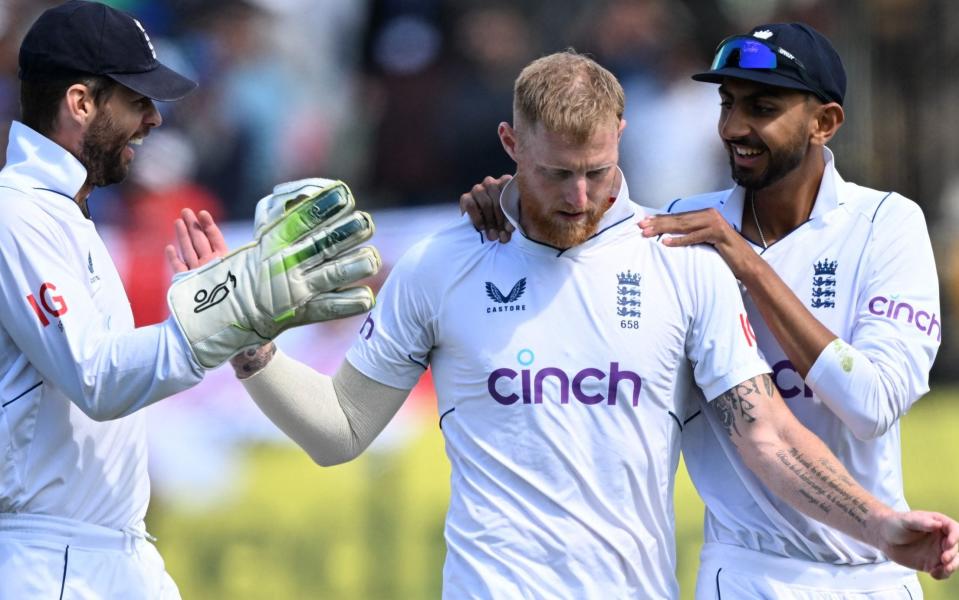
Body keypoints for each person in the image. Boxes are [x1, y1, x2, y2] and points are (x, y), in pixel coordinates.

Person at [198, 51, 958, 599]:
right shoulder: (441, 264)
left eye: (596, 170)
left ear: (621, 134)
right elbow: (339, 431)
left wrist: (878, 526)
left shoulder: (681, 261)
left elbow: (764, 434)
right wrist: (250, 349)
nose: (578, 195)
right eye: (555, 173)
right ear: (509, 144)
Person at [463, 24, 948, 599]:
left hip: (874, 570)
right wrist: (510, 198)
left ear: (825, 123)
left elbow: (873, 405)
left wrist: (747, 264)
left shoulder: (886, 224)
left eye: (762, 107)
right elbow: (571, 230)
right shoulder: (679, 224)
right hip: (743, 568)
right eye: (727, 103)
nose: (734, 128)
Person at [0, 2, 378, 598]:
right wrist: (232, 310)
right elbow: (96, 378)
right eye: (136, 99)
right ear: (80, 103)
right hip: (51, 561)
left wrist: (227, 312)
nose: (153, 118)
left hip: (109, 551)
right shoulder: (16, 213)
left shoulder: (62, 213)